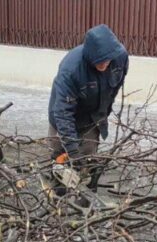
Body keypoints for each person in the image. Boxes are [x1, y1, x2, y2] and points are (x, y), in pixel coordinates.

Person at [48, 24, 128, 187]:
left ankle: (84, 196)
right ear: (90, 56)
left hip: (92, 116)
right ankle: (57, 197)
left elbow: (114, 90)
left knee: (87, 160)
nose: (104, 64)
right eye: (99, 62)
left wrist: (103, 114)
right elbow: (63, 112)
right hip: (64, 116)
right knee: (60, 160)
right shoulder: (71, 70)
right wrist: (72, 150)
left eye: (107, 60)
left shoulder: (120, 58)